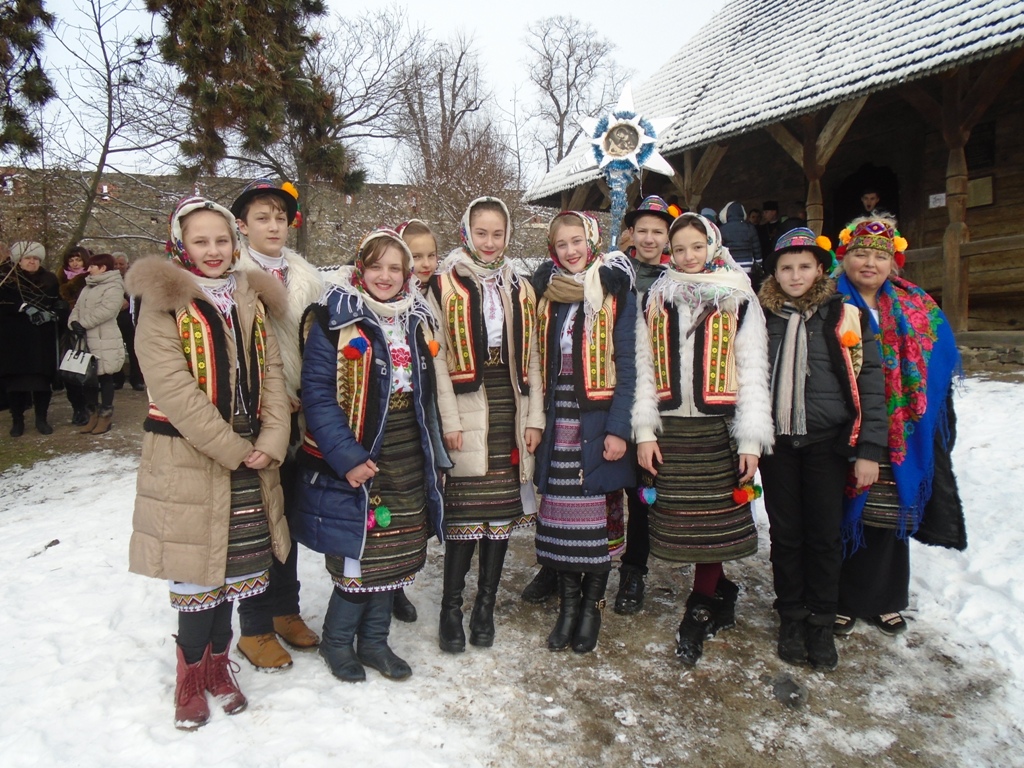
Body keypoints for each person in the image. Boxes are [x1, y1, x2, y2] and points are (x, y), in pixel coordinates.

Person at [126, 196, 291, 730]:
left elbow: (271, 375)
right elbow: (173, 389)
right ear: (181, 245)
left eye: (222, 240)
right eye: (201, 241)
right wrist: (234, 448)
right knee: (200, 575)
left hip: (249, 455)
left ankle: (220, 667)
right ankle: (190, 678)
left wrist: (273, 436)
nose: (214, 251)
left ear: (235, 241)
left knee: (237, 568)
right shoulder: (162, 303)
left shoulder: (250, 296)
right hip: (192, 456)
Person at [293, 229, 449, 682]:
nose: (385, 276)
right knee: (359, 556)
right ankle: (338, 642)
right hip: (359, 451)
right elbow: (318, 396)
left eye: (395, 267)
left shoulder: (416, 317)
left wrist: (434, 455)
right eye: (376, 266)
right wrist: (348, 458)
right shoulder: (333, 318)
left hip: (406, 449)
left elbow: (429, 397)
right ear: (360, 268)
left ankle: (375, 642)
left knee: (396, 554)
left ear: (407, 274)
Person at [633, 212, 773, 666]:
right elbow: (643, 370)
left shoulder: (739, 296)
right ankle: (719, 591)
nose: (689, 256)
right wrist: (644, 431)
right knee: (682, 524)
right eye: (680, 249)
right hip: (672, 428)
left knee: (715, 526)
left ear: (712, 245)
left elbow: (752, 371)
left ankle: (699, 606)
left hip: (718, 428)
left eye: (697, 246)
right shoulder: (657, 297)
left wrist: (750, 440)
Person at [757, 228, 887, 670]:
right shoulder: (761, 315)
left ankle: (821, 619)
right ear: (774, 271)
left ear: (820, 269)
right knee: (786, 533)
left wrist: (869, 447)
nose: (795, 275)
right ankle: (792, 615)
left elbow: (870, 385)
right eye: (786, 267)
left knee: (824, 535)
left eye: (805, 266)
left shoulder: (844, 315)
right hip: (777, 442)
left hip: (826, 442)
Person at [833, 217, 966, 637]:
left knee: (890, 511)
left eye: (879, 256)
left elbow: (939, 359)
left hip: (902, 428)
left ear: (894, 263)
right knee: (843, 509)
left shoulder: (917, 305)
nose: (869, 263)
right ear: (845, 257)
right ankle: (840, 597)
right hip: (845, 424)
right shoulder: (830, 301)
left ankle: (885, 599)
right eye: (860, 253)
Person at [430, 196, 545, 654]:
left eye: (498, 233)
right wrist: (448, 420)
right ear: (466, 232)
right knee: (463, 515)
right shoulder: (444, 284)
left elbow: (533, 355)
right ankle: (451, 608)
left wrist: (535, 416)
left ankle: (485, 607)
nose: (491, 242)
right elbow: (436, 360)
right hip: (465, 401)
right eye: (482, 233)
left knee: (499, 514)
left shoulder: (520, 286)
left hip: (509, 404)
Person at [530, 211, 636, 653]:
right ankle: (568, 606)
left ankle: (592, 606)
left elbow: (629, 366)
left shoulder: (615, 290)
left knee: (596, 525)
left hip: (598, 422)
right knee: (559, 523)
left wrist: (618, 429)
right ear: (552, 250)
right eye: (562, 245)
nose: (571, 251)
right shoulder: (547, 295)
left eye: (578, 241)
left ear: (591, 241)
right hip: (561, 422)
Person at [229, 179, 324, 671]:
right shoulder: (232, 276)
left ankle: (287, 609)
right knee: (257, 522)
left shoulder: (308, 277)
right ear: (241, 225)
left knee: (287, 514)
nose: (272, 226)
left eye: (280, 217)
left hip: (301, 416)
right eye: (261, 217)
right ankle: (256, 625)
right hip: (254, 419)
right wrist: (271, 401)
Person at [610, 195, 674, 616]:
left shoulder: (676, 277)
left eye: (658, 231)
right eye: (642, 230)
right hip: (611, 387)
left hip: (655, 394)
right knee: (594, 482)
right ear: (630, 232)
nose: (649, 238)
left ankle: (634, 567)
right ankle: (569, 561)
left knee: (641, 488)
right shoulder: (614, 273)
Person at [0, 242, 60, 436]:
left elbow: (56, 300)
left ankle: (41, 419)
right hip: (15, 339)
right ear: (19, 260)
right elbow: (3, 304)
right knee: (16, 383)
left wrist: (55, 312)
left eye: (35, 258)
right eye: (28, 258)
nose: (32, 262)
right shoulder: (8, 278)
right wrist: (22, 307)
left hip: (42, 339)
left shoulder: (50, 279)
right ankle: (17, 420)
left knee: (41, 382)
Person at [69, 252, 125, 435]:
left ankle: (105, 416)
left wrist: (83, 323)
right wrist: (73, 323)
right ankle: (92, 414)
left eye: (92, 266)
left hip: (104, 338)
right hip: (85, 340)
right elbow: (77, 308)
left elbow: (108, 310)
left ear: (103, 268)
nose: (88, 268)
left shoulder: (114, 286)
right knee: (88, 379)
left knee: (105, 377)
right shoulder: (87, 287)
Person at [57, 245, 93, 426]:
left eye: (78, 259)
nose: (75, 263)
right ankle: (77, 407)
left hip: (88, 331)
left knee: (88, 372)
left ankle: (90, 406)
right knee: (70, 371)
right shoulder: (59, 279)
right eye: (71, 260)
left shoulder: (91, 279)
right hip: (67, 332)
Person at [112, 252, 145, 391]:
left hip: (131, 319)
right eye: (115, 264)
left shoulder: (134, 278)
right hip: (113, 319)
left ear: (127, 264)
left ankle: (136, 379)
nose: (118, 267)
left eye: (121, 264)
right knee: (115, 350)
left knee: (134, 350)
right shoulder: (109, 279)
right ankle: (117, 379)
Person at [718, 201, 762, 278]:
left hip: (730, 264)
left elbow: (720, 248)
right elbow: (756, 247)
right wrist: (759, 262)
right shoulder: (750, 227)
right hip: (748, 265)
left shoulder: (722, 229)